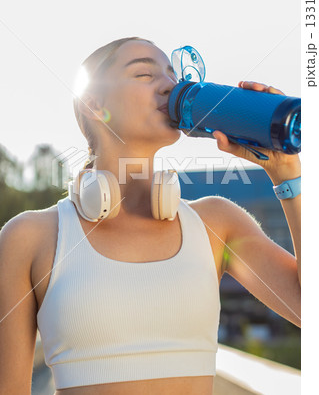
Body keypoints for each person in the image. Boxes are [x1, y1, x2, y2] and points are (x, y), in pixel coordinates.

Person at [0, 37, 301, 395]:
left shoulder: (216, 223)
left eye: (172, 75)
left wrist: (286, 176)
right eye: (144, 73)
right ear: (94, 103)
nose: (169, 85)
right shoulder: (31, 237)